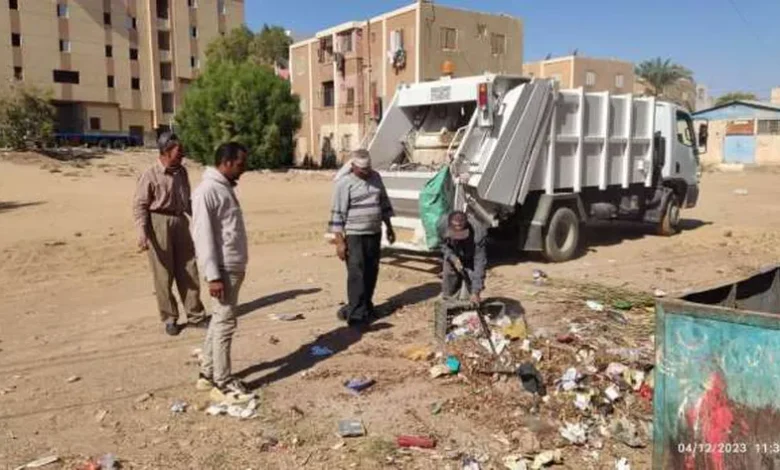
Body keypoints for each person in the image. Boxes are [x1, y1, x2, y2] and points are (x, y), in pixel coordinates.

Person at [191, 142, 255, 404]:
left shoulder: (223, 188)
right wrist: (213, 275)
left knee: (219, 321)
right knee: (225, 324)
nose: (243, 170)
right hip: (223, 270)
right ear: (226, 162)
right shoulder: (207, 191)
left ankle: (207, 375)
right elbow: (203, 237)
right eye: (240, 164)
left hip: (232, 266)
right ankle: (223, 382)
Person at [132, 132, 207, 336]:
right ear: (165, 152)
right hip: (158, 223)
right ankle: (170, 318)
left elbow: (187, 200)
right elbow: (140, 206)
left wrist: (201, 219)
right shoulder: (150, 175)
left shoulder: (181, 172)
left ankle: (195, 315)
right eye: (178, 152)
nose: (182, 155)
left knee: (189, 269)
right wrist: (142, 233)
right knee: (163, 274)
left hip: (180, 221)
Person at [328, 149, 396, 325]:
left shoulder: (376, 177)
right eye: (362, 170)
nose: (366, 173)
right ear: (353, 167)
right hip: (355, 235)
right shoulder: (344, 184)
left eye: (368, 169)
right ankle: (356, 315)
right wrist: (339, 242)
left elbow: (383, 202)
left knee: (371, 271)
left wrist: (389, 227)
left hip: (374, 233)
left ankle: (366, 306)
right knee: (356, 273)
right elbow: (337, 215)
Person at [438, 211, 487, 304]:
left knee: (472, 278)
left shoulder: (478, 233)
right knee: (449, 275)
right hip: (453, 252)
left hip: (470, 253)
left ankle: (471, 296)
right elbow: (442, 245)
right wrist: (453, 258)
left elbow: (479, 263)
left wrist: (476, 291)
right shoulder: (442, 225)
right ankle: (447, 299)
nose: (458, 238)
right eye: (455, 235)